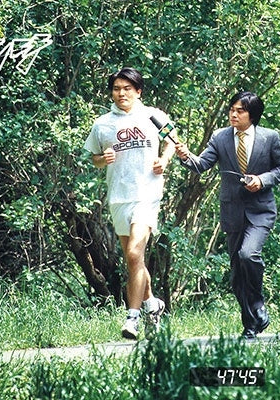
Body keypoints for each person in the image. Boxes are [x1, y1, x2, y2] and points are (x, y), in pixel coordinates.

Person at [175, 91, 280, 339]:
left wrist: (262, 180)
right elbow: (201, 165)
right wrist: (185, 156)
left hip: (261, 210)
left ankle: (258, 304)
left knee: (248, 254)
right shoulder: (220, 137)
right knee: (237, 273)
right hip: (232, 211)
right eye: (231, 109)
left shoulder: (270, 137)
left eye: (240, 111)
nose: (233, 114)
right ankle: (250, 325)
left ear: (252, 115)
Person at [84, 67, 176, 339]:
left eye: (127, 88)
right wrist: (103, 159)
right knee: (133, 261)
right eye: (116, 89)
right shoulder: (102, 124)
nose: (121, 93)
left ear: (138, 91)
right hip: (119, 196)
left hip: (147, 193)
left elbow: (172, 142)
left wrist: (164, 160)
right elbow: (94, 159)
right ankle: (152, 304)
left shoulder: (153, 116)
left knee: (135, 254)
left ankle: (132, 318)